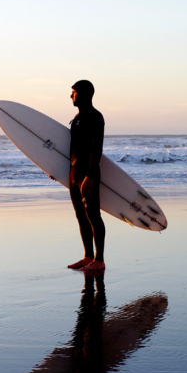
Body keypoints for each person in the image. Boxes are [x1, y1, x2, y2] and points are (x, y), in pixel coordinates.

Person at [66, 80, 106, 273]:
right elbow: (72, 149)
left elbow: (97, 149)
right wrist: (55, 169)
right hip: (73, 174)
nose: (70, 96)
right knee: (80, 215)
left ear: (82, 94)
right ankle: (88, 256)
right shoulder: (77, 118)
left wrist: (89, 176)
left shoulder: (95, 117)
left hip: (87, 174)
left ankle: (100, 259)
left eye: (73, 92)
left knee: (93, 216)